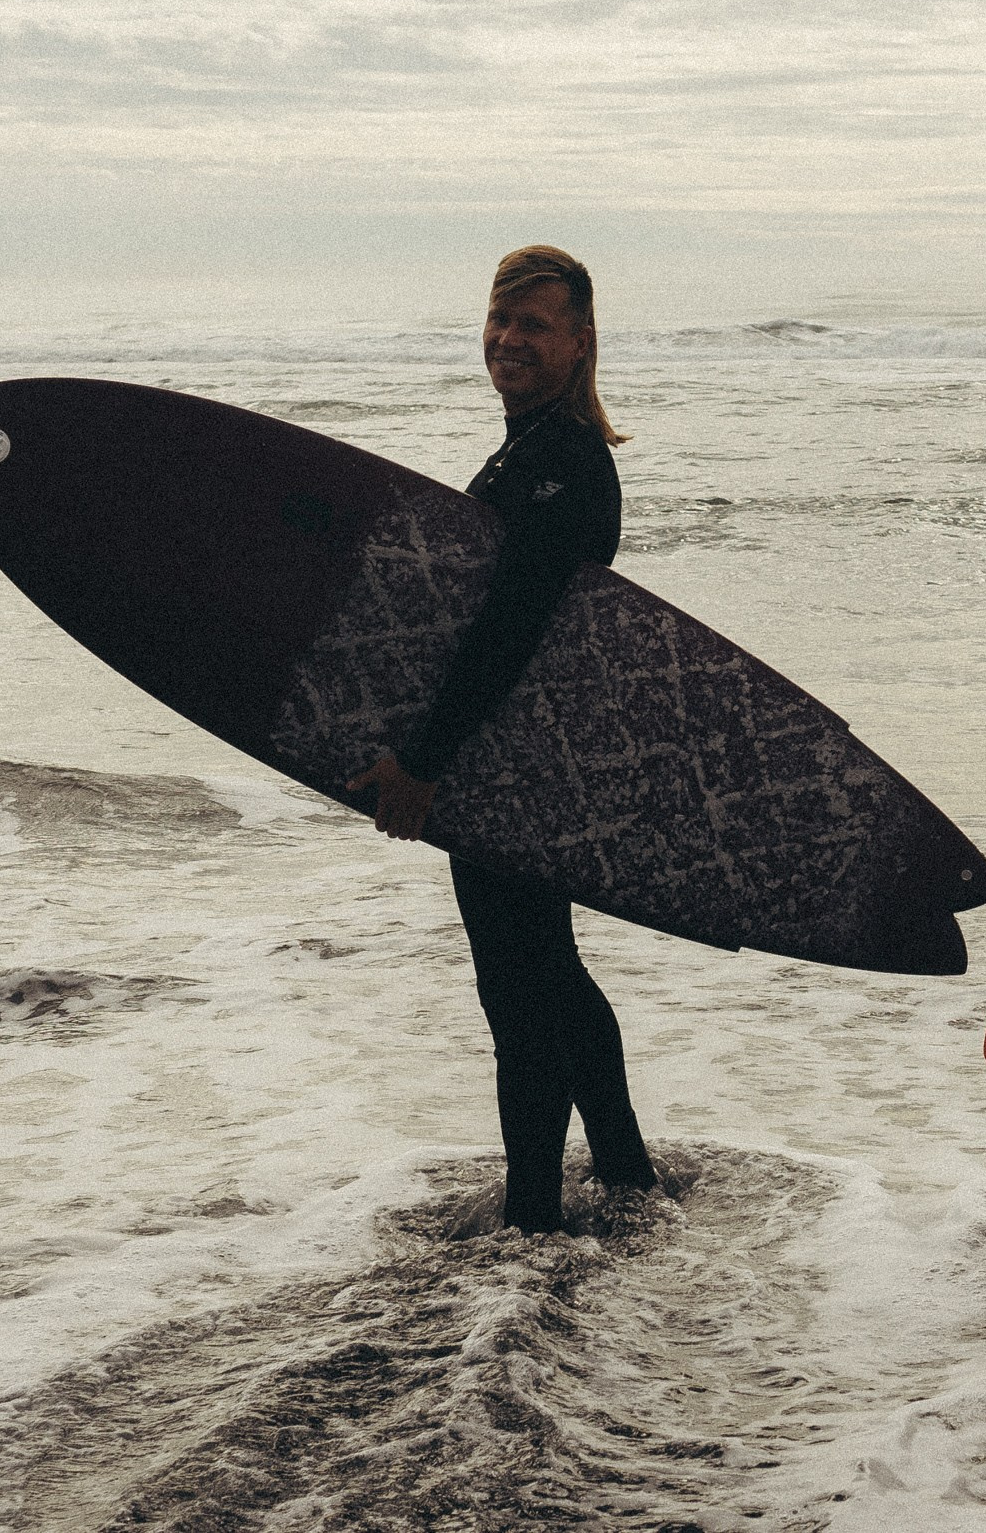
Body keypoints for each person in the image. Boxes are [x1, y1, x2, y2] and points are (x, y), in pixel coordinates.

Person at [347, 245, 660, 1236]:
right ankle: (625, 1173)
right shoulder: (533, 453)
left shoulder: (561, 461)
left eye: (534, 324)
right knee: (548, 970)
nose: (509, 340)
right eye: (500, 319)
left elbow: (509, 627)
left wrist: (424, 763)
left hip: (511, 765)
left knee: (520, 991)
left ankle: (532, 1225)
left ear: (579, 343)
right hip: (518, 757)